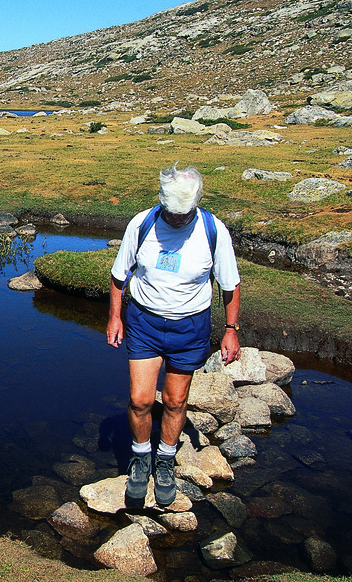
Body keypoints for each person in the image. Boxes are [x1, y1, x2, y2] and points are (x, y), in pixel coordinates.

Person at [106, 163, 241, 507]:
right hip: (146, 323)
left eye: (185, 214)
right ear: (161, 201)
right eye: (172, 213)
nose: (178, 220)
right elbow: (119, 276)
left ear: (196, 202)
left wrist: (231, 331)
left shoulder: (214, 230)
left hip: (190, 327)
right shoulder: (142, 223)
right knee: (140, 399)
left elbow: (230, 284)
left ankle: (164, 460)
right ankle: (140, 458)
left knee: (176, 401)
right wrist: (115, 318)